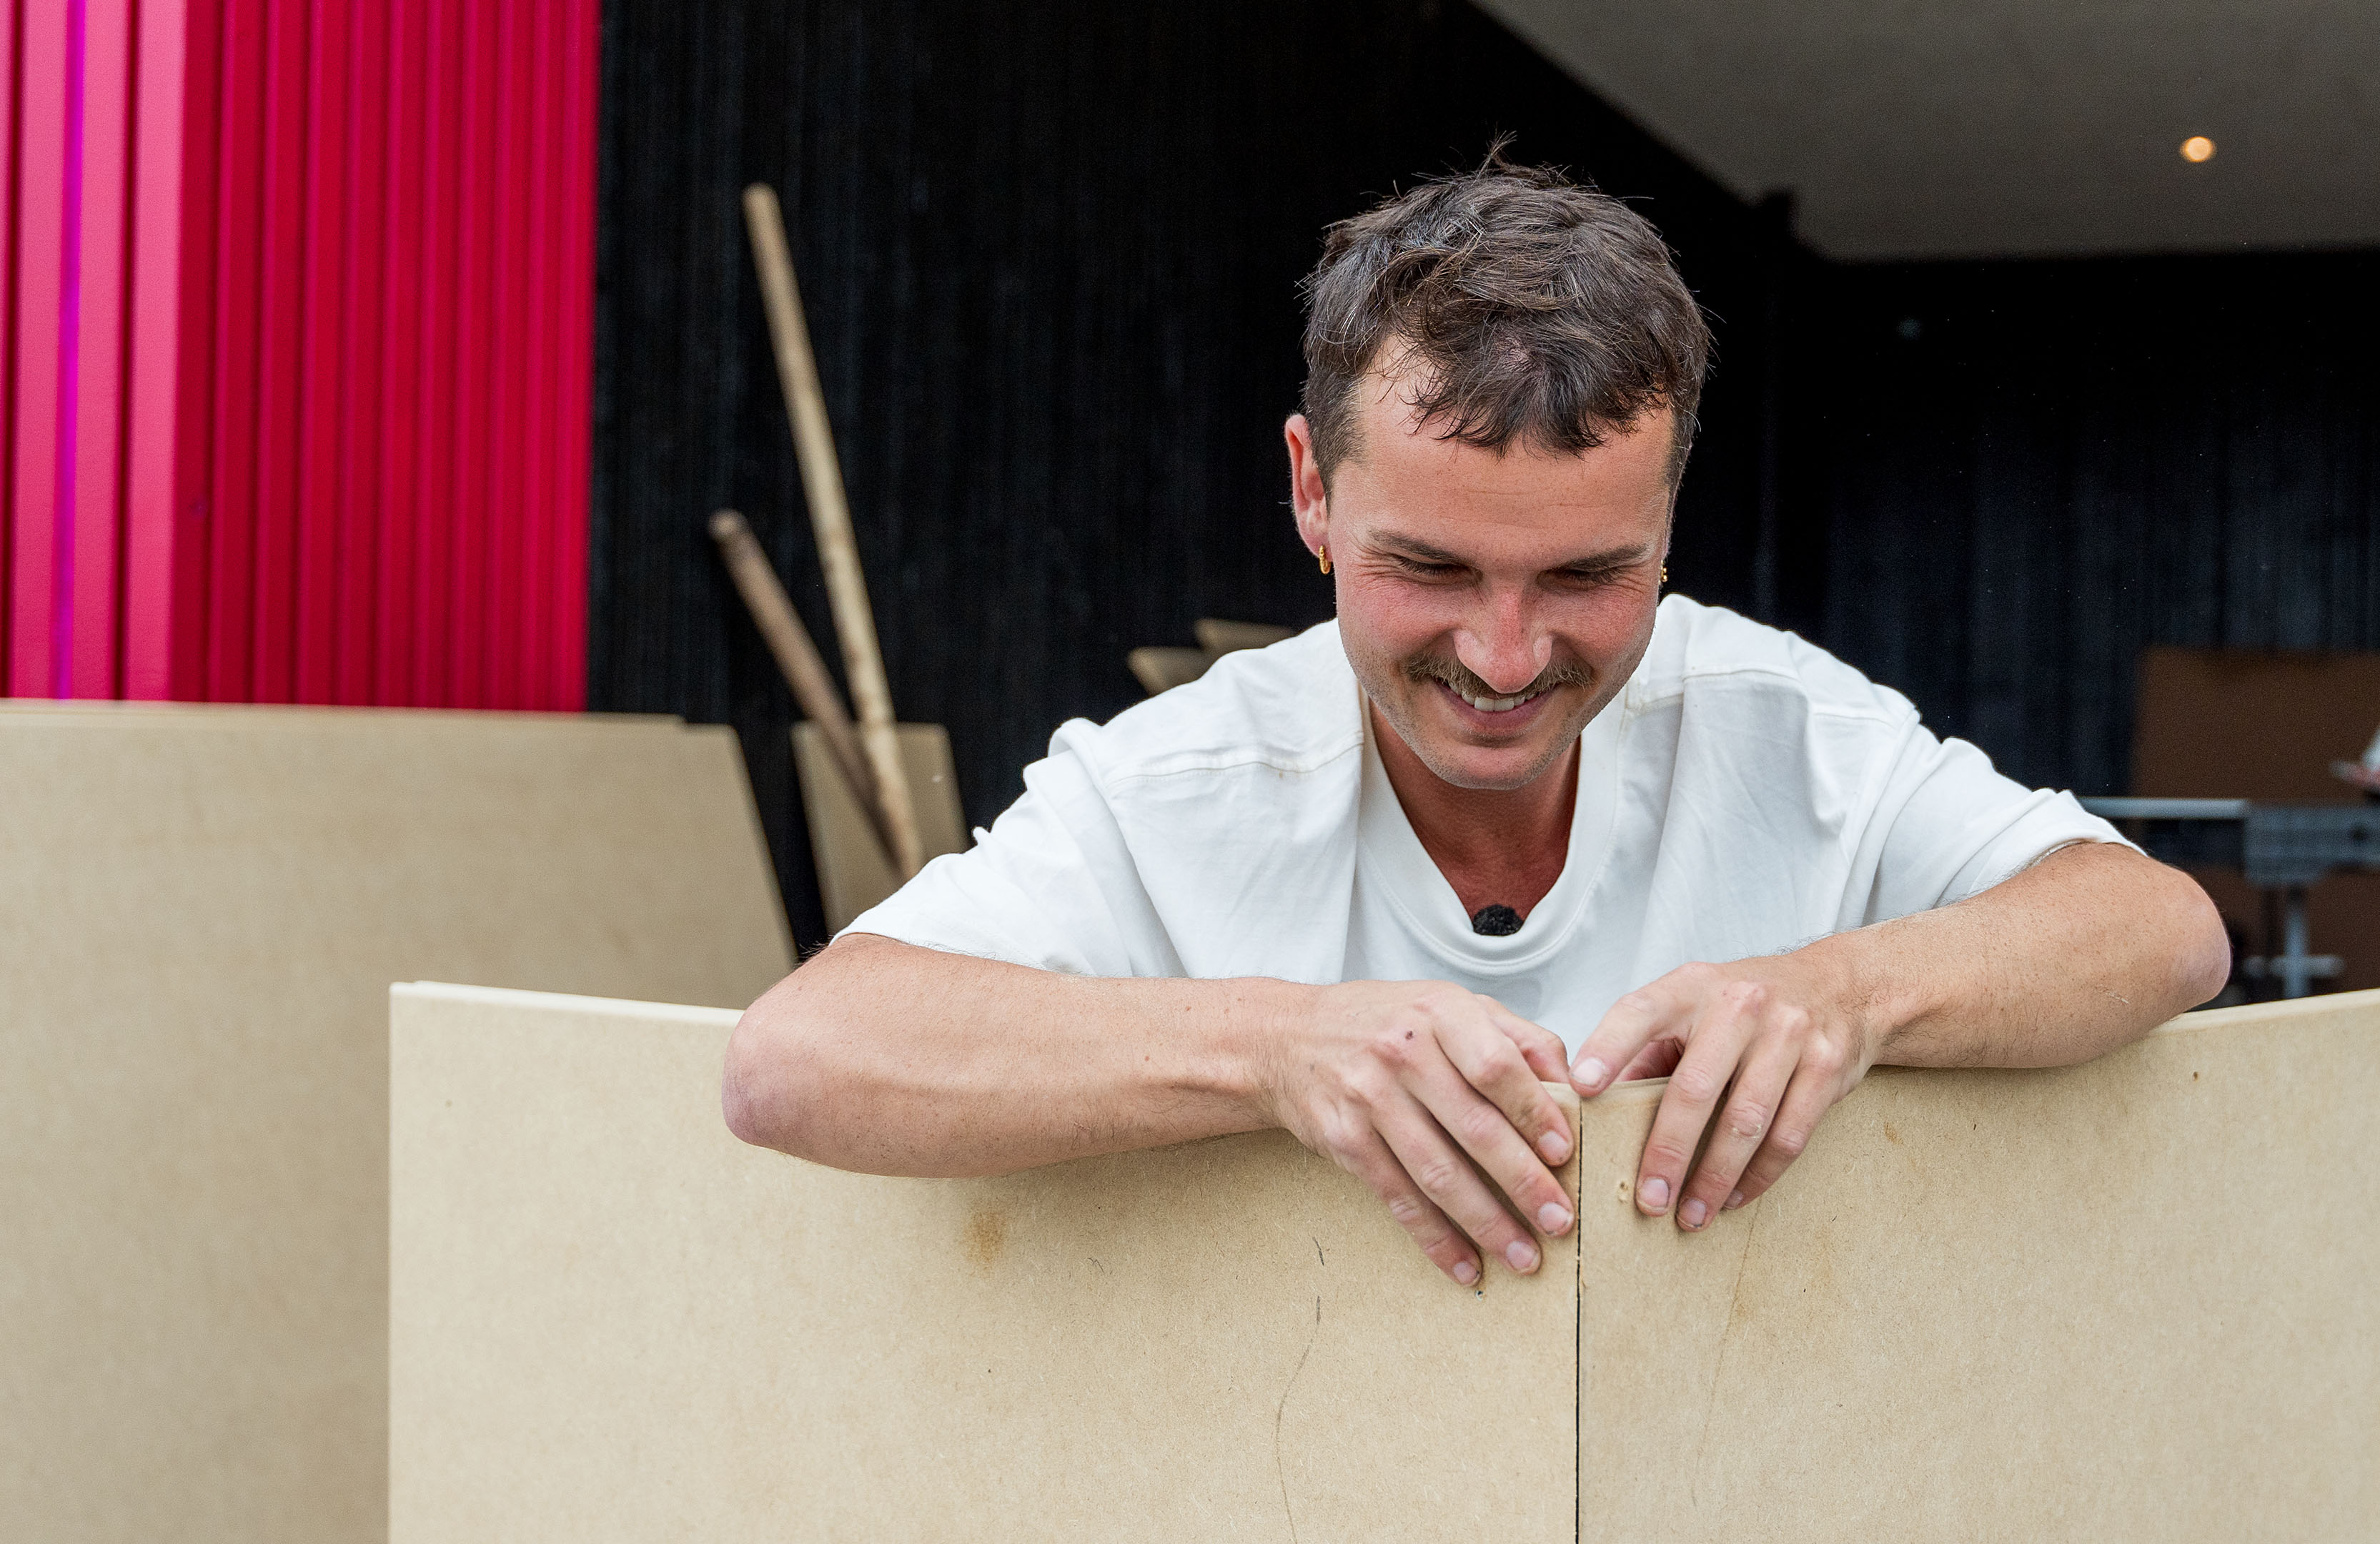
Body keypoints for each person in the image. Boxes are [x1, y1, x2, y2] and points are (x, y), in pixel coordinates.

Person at [724, 154, 2230, 1289]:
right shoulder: (1181, 782)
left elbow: (2156, 930)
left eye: (1587, 575)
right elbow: (800, 1060)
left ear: (1667, 521)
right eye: (1428, 567)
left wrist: (1844, 994)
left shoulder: (1785, 724)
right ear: (1313, 491)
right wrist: (1280, 1049)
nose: (1505, 658)